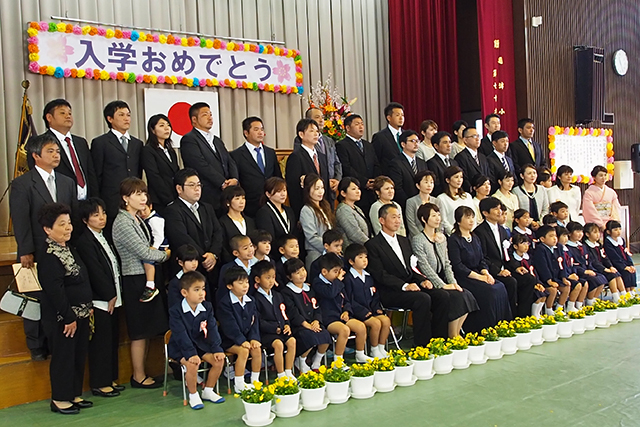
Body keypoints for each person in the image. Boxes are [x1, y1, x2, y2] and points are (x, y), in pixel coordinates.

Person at [10, 133, 77, 361]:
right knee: (36, 297)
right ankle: (36, 345)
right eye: (51, 151)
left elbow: (72, 216)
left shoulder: (67, 182)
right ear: (36, 155)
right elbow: (21, 220)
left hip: (63, 249)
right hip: (37, 250)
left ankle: (56, 338)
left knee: (59, 294)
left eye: (58, 151)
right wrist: (25, 250)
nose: (56, 154)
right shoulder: (22, 184)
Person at [112, 178, 170, 388]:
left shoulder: (137, 218)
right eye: (137, 194)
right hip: (135, 278)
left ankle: (143, 372)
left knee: (146, 330)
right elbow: (143, 252)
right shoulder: (123, 222)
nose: (143, 198)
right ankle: (138, 375)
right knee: (139, 331)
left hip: (146, 276)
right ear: (125, 198)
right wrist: (165, 255)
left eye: (144, 193)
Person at [365, 204, 450, 345]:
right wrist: (404, 286)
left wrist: (422, 280)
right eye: (393, 217)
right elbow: (380, 274)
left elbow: (413, 266)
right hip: (390, 290)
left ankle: (439, 340)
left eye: (399, 217)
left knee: (442, 295)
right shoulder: (373, 245)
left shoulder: (404, 241)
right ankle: (423, 345)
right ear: (382, 220)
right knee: (422, 299)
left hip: (411, 285)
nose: (398, 220)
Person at [37, 203, 93, 414]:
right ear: (48, 229)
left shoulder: (68, 248)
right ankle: (60, 398)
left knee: (78, 356)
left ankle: (73, 394)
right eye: (62, 224)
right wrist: (69, 317)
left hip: (80, 313)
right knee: (63, 358)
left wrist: (87, 306)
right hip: (62, 318)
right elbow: (55, 292)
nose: (68, 228)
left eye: (69, 223)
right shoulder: (49, 256)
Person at [75, 198, 124, 398]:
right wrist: (109, 294)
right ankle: (100, 383)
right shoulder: (84, 241)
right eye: (96, 215)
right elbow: (95, 272)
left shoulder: (103, 236)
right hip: (101, 299)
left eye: (103, 213)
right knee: (101, 343)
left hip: (114, 296)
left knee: (112, 340)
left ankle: (110, 378)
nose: (102, 218)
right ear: (85, 219)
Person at [411, 203, 479, 337]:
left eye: (438, 215)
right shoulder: (418, 240)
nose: (438, 218)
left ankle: (456, 332)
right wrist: (443, 285)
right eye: (433, 215)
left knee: (465, 294)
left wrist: (453, 283)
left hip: (443, 278)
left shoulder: (441, 238)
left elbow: (447, 264)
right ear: (424, 219)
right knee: (451, 297)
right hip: (428, 282)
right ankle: (452, 334)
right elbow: (425, 267)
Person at [447, 206, 511, 332]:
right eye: (467, 217)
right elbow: (458, 266)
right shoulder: (454, 240)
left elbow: (482, 259)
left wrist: (486, 273)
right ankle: (485, 328)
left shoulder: (475, 237)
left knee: (500, 287)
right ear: (459, 221)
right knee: (490, 291)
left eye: (472, 217)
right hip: (465, 277)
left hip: (478, 273)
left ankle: (502, 326)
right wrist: (479, 277)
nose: (471, 220)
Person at [168, 271, 225, 409]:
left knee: (219, 360)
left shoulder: (207, 307)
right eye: (196, 289)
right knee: (192, 364)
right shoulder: (176, 311)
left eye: (203, 289)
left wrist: (217, 348)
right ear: (184, 292)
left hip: (200, 345)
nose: (201, 293)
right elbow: (180, 334)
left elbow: (212, 329)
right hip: (180, 347)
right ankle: (193, 395)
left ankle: (208, 391)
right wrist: (190, 354)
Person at [163, 169, 223, 287]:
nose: (197, 189)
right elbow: (181, 238)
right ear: (179, 189)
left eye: (199, 185)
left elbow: (218, 232)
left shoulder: (207, 207)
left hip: (211, 267)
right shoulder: (173, 210)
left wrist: (213, 254)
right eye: (191, 185)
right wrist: (204, 257)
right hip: (189, 268)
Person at [474, 197, 531, 318]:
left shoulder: (503, 230)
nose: (499, 211)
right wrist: (498, 271)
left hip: (507, 268)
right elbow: (483, 257)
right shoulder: (479, 232)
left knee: (529, 279)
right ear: (485, 213)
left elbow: (508, 253)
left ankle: (524, 317)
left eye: (500, 208)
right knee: (511, 282)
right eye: (495, 209)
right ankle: (510, 319)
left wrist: (516, 267)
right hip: (492, 271)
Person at [32, 99, 98, 200]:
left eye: (70, 113)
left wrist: (95, 199)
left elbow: (90, 173)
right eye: (62, 113)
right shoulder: (40, 143)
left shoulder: (80, 142)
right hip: (59, 201)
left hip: (86, 203)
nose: (68, 116)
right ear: (49, 117)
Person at [180, 102, 238, 216]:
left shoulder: (216, 140)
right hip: (207, 194)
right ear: (194, 119)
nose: (210, 117)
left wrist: (234, 178)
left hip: (225, 195)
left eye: (210, 114)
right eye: (205, 115)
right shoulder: (189, 139)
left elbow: (229, 160)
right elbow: (200, 165)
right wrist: (222, 182)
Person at [91, 100, 143, 228]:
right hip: (111, 201)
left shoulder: (137, 144)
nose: (126, 118)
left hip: (133, 201)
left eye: (128, 115)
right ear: (110, 119)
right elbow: (96, 174)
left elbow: (138, 172)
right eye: (121, 115)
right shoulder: (100, 142)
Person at [312, 253, 372, 363]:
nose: (339, 274)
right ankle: (338, 361)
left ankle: (360, 354)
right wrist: (338, 281)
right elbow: (330, 293)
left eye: (339, 271)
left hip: (341, 315)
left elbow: (346, 299)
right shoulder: (318, 283)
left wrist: (346, 311)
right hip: (328, 318)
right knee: (344, 330)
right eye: (335, 272)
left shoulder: (338, 282)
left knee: (361, 327)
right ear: (324, 272)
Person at [280, 258, 332, 372]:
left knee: (325, 335)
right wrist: (306, 324)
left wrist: (316, 321)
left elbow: (316, 307)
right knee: (309, 337)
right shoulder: (287, 292)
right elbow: (292, 312)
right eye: (297, 273)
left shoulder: (309, 288)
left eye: (303, 270)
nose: (302, 274)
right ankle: (301, 360)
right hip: (299, 325)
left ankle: (317, 361)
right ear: (289, 277)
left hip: (313, 323)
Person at [217, 266, 262, 392]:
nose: (245, 286)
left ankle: (255, 380)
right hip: (228, 339)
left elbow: (254, 321)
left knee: (257, 349)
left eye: (247, 282)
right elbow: (229, 326)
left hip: (246, 338)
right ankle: (239, 383)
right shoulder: (225, 303)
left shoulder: (251, 300)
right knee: (243, 351)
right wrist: (242, 340)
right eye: (240, 283)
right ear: (230, 286)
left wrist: (254, 338)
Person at [342, 243, 390, 359]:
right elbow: (349, 299)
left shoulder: (368, 277)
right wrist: (362, 311)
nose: (364, 260)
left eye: (365, 257)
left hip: (370, 311)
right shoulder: (348, 279)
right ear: (351, 261)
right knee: (375, 323)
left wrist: (376, 308)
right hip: (357, 313)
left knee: (386, 320)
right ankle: (373, 349)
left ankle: (381, 347)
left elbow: (374, 295)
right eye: (360, 257)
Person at [230, 116, 282, 218]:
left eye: (262, 129)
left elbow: (277, 177)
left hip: (272, 203)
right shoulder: (236, 155)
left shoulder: (270, 152)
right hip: (250, 206)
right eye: (256, 129)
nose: (260, 132)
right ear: (246, 133)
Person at [251, 260, 296, 378]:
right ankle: (281, 373)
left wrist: (286, 324)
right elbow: (258, 320)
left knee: (292, 341)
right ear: (257, 279)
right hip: (267, 333)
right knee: (278, 345)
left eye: (273, 277)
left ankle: (288, 371)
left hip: (281, 329)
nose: (271, 281)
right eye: (267, 278)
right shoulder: (255, 298)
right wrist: (274, 328)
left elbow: (283, 313)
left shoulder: (277, 295)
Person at [335, 114, 381, 214]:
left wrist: (375, 181)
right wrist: (365, 182)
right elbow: (346, 167)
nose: (361, 127)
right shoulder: (341, 145)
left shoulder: (368, 145)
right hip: (356, 190)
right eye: (357, 124)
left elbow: (376, 164)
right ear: (347, 128)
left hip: (371, 192)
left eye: (362, 124)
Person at [286, 118, 331, 216]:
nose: (316, 134)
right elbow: (294, 190)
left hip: (323, 207)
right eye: (311, 131)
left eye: (317, 131)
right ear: (301, 134)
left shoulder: (322, 156)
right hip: (306, 210)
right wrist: (299, 214)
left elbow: (326, 184)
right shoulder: (296, 157)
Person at [533, 225, 582, 312]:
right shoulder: (540, 249)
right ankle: (549, 309)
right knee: (553, 290)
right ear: (542, 239)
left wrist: (564, 278)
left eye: (555, 236)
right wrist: (549, 281)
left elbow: (562, 264)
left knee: (567, 287)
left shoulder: (558, 247)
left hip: (557, 277)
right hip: (545, 279)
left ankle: (559, 308)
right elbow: (542, 267)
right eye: (551, 236)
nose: (555, 238)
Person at [296, 108, 342, 198]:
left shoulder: (328, 142)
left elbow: (336, 162)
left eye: (323, 117)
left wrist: (337, 179)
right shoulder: (298, 149)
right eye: (317, 117)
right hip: (309, 195)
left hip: (328, 192)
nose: (321, 120)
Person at [506, 233, 555, 317]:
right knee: (537, 295)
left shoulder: (529, 258)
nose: (526, 246)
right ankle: (533, 315)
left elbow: (534, 272)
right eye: (523, 243)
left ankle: (537, 314)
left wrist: (538, 283)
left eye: (527, 243)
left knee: (543, 294)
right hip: (524, 286)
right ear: (515, 246)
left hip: (534, 282)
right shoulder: (512, 260)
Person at [141, 114, 180, 217]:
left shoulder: (171, 151)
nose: (167, 128)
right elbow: (154, 176)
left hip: (175, 196)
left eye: (168, 125)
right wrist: (169, 199)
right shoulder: (148, 150)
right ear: (153, 130)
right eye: (161, 125)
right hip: (160, 199)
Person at [299, 174, 335, 269]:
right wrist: (328, 247)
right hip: (316, 253)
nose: (320, 191)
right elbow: (311, 237)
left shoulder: (324, 206)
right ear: (308, 190)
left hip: (330, 251)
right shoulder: (306, 210)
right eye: (316, 188)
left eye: (322, 188)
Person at [566, 222, 607, 305]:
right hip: (578, 272)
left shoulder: (582, 246)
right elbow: (572, 264)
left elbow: (589, 260)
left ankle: (593, 300)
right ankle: (582, 303)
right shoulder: (568, 248)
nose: (580, 234)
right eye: (577, 232)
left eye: (581, 231)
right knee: (592, 281)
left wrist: (590, 269)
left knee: (601, 278)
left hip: (587, 269)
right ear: (569, 233)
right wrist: (584, 271)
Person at [583, 222, 626, 301]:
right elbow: (593, 261)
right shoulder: (586, 246)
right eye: (595, 232)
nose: (598, 234)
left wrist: (610, 266)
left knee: (616, 273)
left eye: (598, 232)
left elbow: (605, 258)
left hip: (603, 267)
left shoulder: (598, 245)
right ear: (587, 234)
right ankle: (615, 297)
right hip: (595, 268)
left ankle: (624, 295)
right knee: (610, 276)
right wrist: (605, 269)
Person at [254, 177, 296, 257]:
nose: (283, 194)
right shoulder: (264, 212)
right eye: (278, 191)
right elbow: (269, 238)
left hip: (291, 254)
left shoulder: (289, 210)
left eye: (284, 190)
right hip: (276, 255)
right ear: (268, 194)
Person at [388, 130, 429, 211]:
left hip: (423, 204)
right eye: (412, 141)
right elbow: (398, 187)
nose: (416, 143)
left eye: (417, 141)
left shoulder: (422, 162)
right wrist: (410, 203)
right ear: (403, 144)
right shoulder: (396, 163)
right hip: (406, 205)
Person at [137, 200, 166, 303]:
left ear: (151, 206)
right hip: (154, 246)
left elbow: (159, 236)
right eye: (139, 212)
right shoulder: (146, 220)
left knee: (147, 260)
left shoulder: (155, 220)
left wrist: (154, 248)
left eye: (144, 210)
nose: (142, 213)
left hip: (160, 246)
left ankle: (150, 285)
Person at [218, 185, 256, 263]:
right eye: (237, 198)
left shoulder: (250, 221)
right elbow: (223, 247)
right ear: (228, 202)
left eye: (243, 198)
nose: (241, 202)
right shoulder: (222, 222)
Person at [436, 166, 476, 235]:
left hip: (470, 234)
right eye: (456, 177)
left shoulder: (467, 196)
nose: (459, 180)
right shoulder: (442, 198)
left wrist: (469, 231)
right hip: (453, 235)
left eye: (461, 177)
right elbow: (444, 221)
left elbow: (474, 216)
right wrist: (456, 234)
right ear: (447, 180)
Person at [557, 226, 589, 310]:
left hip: (570, 273)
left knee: (584, 284)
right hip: (561, 276)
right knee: (577, 285)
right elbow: (561, 266)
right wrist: (567, 276)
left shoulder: (567, 249)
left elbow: (571, 263)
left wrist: (573, 273)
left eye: (566, 236)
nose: (565, 238)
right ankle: (565, 307)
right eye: (563, 236)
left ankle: (578, 304)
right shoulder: (558, 251)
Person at [217, 235, 257, 299]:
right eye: (245, 248)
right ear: (236, 253)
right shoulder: (228, 268)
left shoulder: (256, 265)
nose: (250, 250)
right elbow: (222, 291)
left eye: (251, 246)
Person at [335, 177, 372, 247]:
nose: (358, 191)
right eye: (353, 189)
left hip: (363, 247)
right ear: (343, 193)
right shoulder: (343, 210)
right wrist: (371, 245)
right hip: (353, 251)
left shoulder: (356, 208)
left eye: (358, 188)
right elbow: (354, 234)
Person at [603, 220, 637, 294]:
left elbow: (626, 253)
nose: (618, 231)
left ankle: (632, 291)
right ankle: (627, 292)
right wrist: (624, 267)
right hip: (615, 264)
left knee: (632, 271)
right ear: (608, 232)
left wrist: (630, 265)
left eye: (619, 229)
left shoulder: (621, 240)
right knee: (626, 272)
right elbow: (614, 257)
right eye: (615, 230)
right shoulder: (608, 242)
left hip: (624, 262)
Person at [582, 165, 621, 230]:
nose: (603, 178)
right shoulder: (589, 193)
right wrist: (600, 224)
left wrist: (613, 222)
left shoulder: (611, 192)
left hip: (610, 224)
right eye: (600, 175)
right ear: (594, 177)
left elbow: (616, 208)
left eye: (605, 175)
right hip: (596, 226)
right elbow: (589, 210)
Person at [167, 244, 205, 309]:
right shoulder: (175, 283)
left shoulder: (200, 278)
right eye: (190, 260)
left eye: (196, 260)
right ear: (180, 262)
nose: (194, 263)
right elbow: (174, 305)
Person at [455, 126, 490, 194]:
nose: (477, 139)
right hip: (471, 193)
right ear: (465, 140)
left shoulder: (483, 157)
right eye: (474, 136)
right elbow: (464, 178)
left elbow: (487, 174)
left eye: (478, 136)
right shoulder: (461, 157)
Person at [372, 102, 405, 174]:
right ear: (389, 118)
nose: (401, 118)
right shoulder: (380, 137)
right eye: (397, 115)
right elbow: (376, 161)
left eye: (402, 115)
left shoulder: (407, 135)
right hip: (389, 178)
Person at [405, 170, 439, 240]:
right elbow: (411, 224)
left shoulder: (436, 201)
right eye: (426, 182)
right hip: (417, 238)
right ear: (418, 185)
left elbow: (440, 222)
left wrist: (436, 236)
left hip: (435, 238)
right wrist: (423, 239)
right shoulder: (411, 202)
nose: (429, 185)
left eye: (431, 182)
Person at [513, 164, 549, 228]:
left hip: (541, 225)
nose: (532, 175)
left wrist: (539, 222)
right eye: (529, 173)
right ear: (522, 176)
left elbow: (546, 209)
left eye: (534, 173)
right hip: (523, 226)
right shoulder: (516, 191)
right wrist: (531, 222)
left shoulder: (542, 189)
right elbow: (517, 210)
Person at [426, 131, 459, 197]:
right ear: (436, 146)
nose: (449, 145)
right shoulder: (431, 163)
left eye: (449, 142)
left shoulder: (454, 162)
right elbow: (436, 184)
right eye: (445, 142)